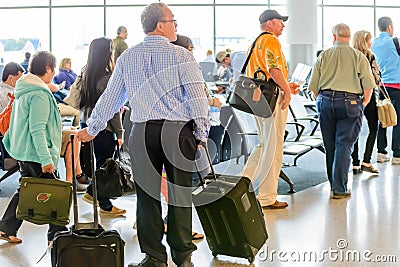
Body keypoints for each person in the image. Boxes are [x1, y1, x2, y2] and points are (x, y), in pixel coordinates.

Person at [76, 3, 209, 267]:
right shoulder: (182, 56)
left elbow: (111, 99)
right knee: (180, 194)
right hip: (177, 131)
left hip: (143, 131)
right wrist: (201, 134)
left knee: (147, 196)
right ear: (161, 25)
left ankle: (154, 257)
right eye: (173, 21)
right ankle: (183, 257)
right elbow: (197, 100)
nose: (176, 25)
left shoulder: (128, 57)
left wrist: (92, 129)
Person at [0, 51, 68, 244]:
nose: (54, 73)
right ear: (47, 68)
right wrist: (46, 159)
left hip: (25, 150)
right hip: (37, 153)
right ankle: (57, 234)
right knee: (56, 191)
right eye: (53, 69)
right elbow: (37, 129)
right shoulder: (39, 94)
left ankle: (7, 227)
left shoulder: (25, 88)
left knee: (26, 188)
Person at [308, 23, 375, 199]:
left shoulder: (324, 56)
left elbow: (313, 86)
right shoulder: (358, 56)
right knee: (344, 145)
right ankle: (340, 188)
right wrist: (364, 101)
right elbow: (368, 83)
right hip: (350, 102)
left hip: (325, 100)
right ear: (349, 36)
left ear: (334, 36)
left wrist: (323, 99)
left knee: (330, 145)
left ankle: (333, 185)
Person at [242, 9, 298, 209]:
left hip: (260, 99)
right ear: (269, 23)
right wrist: (286, 91)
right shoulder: (271, 41)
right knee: (273, 146)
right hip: (272, 100)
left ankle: (243, 183)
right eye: (280, 21)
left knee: (265, 144)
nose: (283, 25)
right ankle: (267, 197)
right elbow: (273, 69)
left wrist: (286, 85)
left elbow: (265, 73)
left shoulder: (256, 42)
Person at [79, 37, 126, 217]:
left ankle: (96, 196)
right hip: (103, 128)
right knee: (105, 166)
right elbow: (112, 110)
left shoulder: (86, 74)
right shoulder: (107, 78)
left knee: (100, 164)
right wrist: (120, 133)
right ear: (108, 53)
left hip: (88, 124)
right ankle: (102, 202)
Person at [371, 16, 400, 165]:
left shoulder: (373, 43)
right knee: (398, 121)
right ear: (390, 27)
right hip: (397, 86)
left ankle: (381, 153)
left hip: (381, 86)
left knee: (382, 118)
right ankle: (397, 155)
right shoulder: (396, 41)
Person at [351, 30, 380, 174]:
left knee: (354, 129)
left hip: (353, 95)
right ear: (366, 41)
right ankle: (366, 161)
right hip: (368, 95)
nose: (371, 43)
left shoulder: (350, 56)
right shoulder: (370, 56)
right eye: (370, 40)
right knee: (373, 126)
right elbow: (376, 78)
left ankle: (355, 163)